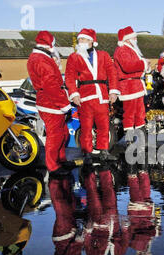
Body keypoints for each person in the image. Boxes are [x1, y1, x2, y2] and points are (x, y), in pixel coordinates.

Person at [65, 28, 120, 165]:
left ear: (91, 41)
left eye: (83, 39)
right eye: (79, 39)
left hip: (101, 95)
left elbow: (112, 73)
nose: (80, 42)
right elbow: (70, 77)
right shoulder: (74, 57)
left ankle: (104, 151)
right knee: (86, 127)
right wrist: (74, 93)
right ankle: (87, 153)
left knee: (103, 125)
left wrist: (113, 91)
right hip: (84, 96)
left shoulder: (103, 55)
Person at [27, 31, 71, 176]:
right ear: (49, 44)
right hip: (51, 103)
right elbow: (50, 85)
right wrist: (64, 104)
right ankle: (53, 165)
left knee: (63, 132)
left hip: (49, 101)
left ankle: (61, 159)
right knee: (55, 134)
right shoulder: (42, 60)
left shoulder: (40, 58)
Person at [114, 26, 151, 143]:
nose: (136, 39)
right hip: (128, 86)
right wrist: (143, 63)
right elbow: (128, 66)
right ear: (128, 39)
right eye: (134, 37)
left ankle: (141, 136)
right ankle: (129, 140)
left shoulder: (130, 49)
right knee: (130, 113)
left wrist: (145, 65)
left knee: (140, 112)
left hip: (136, 85)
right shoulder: (122, 50)